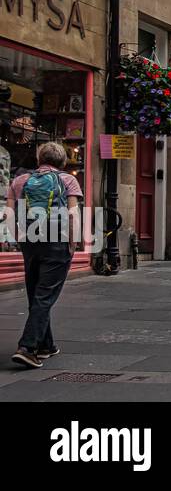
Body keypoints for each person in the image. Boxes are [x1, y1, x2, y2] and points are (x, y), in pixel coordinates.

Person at [7, 142, 82, 369]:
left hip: (30, 241)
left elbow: (10, 213)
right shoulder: (68, 180)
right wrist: (73, 242)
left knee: (37, 293)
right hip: (56, 242)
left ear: (39, 159)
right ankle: (28, 348)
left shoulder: (20, 181)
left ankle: (46, 345)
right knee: (45, 295)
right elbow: (72, 214)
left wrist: (19, 239)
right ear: (62, 161)